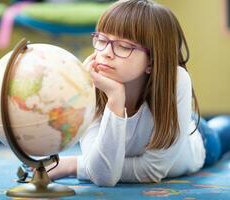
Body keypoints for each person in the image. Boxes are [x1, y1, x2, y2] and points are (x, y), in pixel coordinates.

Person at [40, 0, 230, 186]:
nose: (106, 53)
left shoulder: (176, 80)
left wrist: (76, 165)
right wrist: (115, 98)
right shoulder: (89, 83)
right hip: (170, 120)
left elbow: (152, 171)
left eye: (124, 46)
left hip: (198, 139)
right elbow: (103, 176)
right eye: (101, 40)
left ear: (152, 60)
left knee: (224, 129)